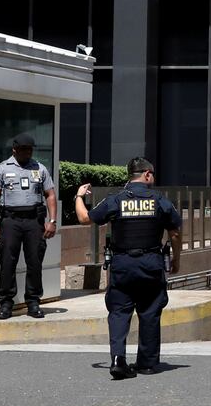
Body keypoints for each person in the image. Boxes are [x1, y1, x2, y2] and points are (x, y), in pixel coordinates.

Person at [75, 158, 182, 379]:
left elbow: (84, 218)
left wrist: (78, 196)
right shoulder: (160, 201)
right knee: (150, 311)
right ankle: (147, 363)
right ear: (147, 175)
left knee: (119, 312)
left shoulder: (116, 200)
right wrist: (176, 259)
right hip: (151, 264)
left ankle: (118, 359)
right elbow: (175, 233)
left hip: (122, 264)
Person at [0, 132, 58, 319]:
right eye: (24, 149)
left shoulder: (40, 169)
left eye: (30, 149)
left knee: (35, 261)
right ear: (14, 149)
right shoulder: (2, 169)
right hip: (10, 220)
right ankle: (6, 303)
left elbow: (50, 195)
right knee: (8, 262)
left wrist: (52, 221)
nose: (27, 153)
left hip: (34, 221)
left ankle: (33, 302)